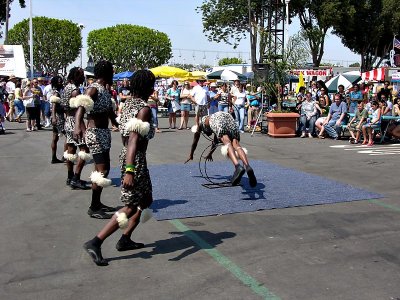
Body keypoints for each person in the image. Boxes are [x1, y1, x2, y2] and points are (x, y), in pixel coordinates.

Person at [83, 70, 156, 266]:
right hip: (135, 159)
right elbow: (133, 140)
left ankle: (125, 239)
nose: (154, 88)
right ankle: (96, 242)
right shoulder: (144, 109)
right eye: (152, 85)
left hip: (132, 156)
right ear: (147, 87)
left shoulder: (129, 104)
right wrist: (131, 170)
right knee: (131, 205)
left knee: (146, 198)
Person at [74, 60, 119, 219]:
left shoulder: (105, 90)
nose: (113, 74)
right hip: (95, 133)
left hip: (103, 132)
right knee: (102, 170)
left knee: (102, 168)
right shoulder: (94, 89)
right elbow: (81, 106)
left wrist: (116, 122)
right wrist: (78, 126)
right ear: (107, 73)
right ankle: (93, 207)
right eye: (112, 71)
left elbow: (108, 111)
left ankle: (97, 203)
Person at [185, 111, 257, 187]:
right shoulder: (212, 123)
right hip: (228, 118)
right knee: (236, 144)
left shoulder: (200, 125)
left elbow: (195, 142)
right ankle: (247, 166)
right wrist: (210, 154)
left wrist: (191, 155)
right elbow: (215, 141)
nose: (207, 134)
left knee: (227, 142)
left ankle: (237, 166)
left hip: (219, 119)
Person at [62, 67, 92, 190]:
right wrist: (83, 128)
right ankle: (76, 178)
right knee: (84, 148)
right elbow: (78, 111)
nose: (83, 77)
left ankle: (70, 177)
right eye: (81, 75)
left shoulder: (66, 87)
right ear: (76, 76)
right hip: (75, 122)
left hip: (68, 120)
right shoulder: (75, 90)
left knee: (71, 149)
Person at [49, 76, 66, 163]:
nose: (61, 83)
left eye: (61, 81)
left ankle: (54, 157)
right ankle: (65, 156)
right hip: (58, 117)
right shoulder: (56, 93)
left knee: (55, 137)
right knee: (68, 136)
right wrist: (54, 117)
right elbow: (53, 106)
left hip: (56, 116)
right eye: (59, 82)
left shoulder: (57, 92)